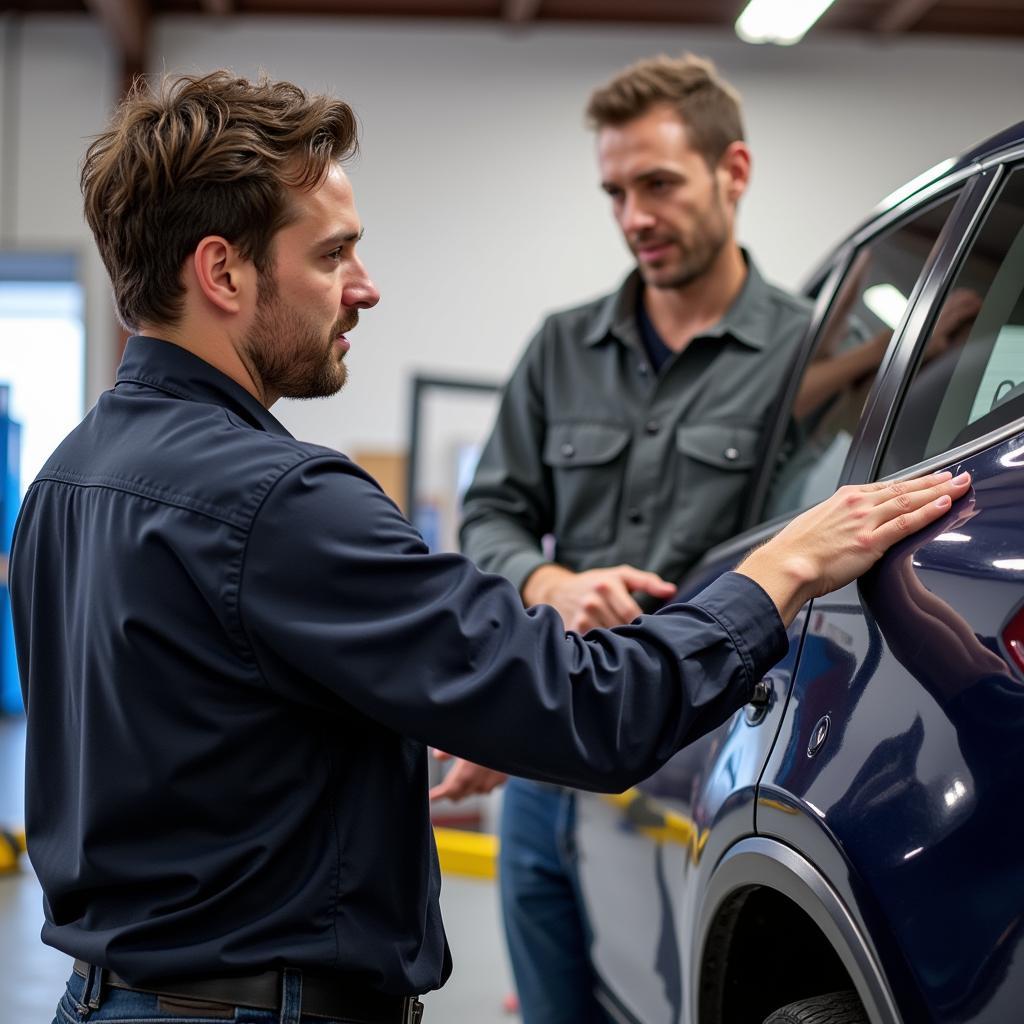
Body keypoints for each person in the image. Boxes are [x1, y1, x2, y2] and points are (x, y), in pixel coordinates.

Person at [8, 70, 970, 1024]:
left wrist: (445, 698)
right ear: (222, 272)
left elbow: (208, 717)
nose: (366, 288)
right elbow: (594, 713)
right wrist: (781, 570)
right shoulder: (281, 500)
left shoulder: (66, 481)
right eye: (334, 254)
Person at [444, 52, 835, 1024]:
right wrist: (549, 584)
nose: (632, 218)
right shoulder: (560, 347)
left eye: (657, 184)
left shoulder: (811, 356)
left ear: (731, 171)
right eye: (614, 191)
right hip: (546, 753)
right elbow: (489, 511)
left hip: (694, 758)